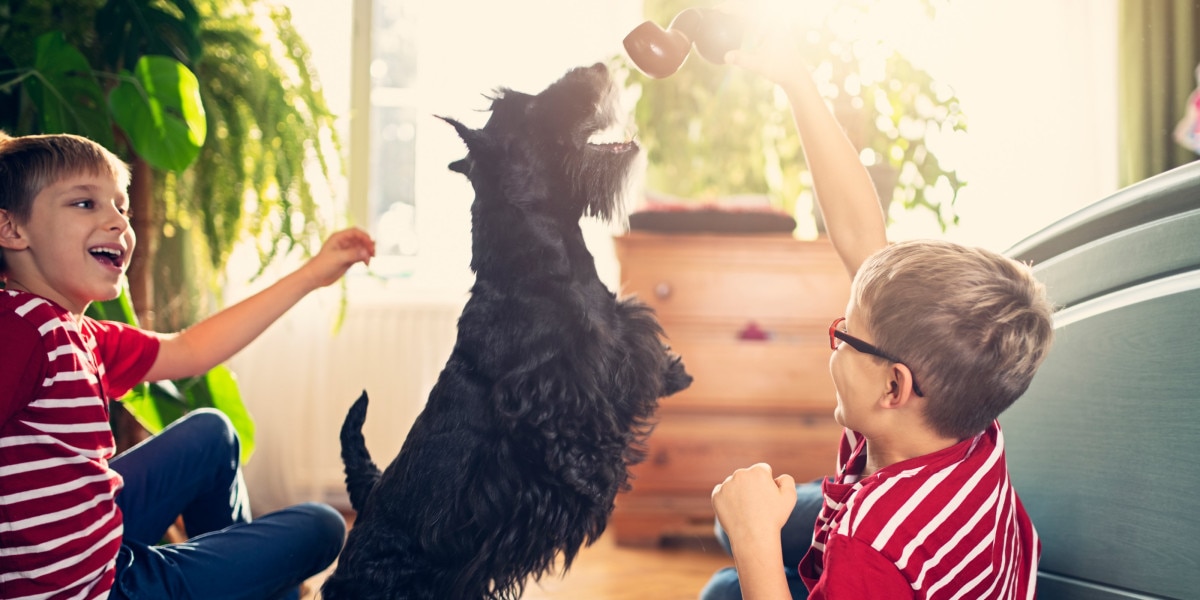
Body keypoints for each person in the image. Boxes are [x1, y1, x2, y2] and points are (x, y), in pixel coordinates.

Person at [699, 15, 1057, 600]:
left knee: (726, 584)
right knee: (729, 533)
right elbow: (862, 236)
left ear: (894, 386)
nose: (835, 341)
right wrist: (795, 78)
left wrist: (757, 541)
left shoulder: (875, 543)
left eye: (845, 335)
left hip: (893, 561)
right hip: (933, 548)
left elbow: (874, 550)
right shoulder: (958, 402)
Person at [0, 131, 376, 599]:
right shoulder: (19, 331)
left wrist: (312, 275)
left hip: (98, 540)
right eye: (84, 204)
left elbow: (190, 350)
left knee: (211, 434)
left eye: (122, 207)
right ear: (12, 230)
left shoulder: (75, 332)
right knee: (322, 527)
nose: (117, 222)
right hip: (92, 588)